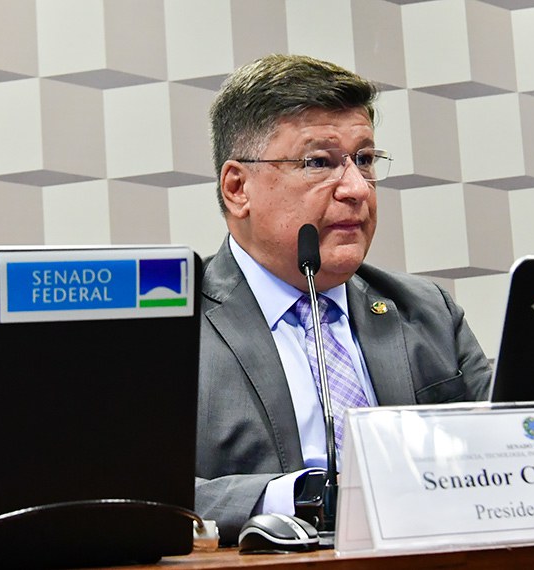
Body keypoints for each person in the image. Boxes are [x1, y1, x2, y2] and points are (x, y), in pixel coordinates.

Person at [195, 53, 492, 544]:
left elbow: (505, 450)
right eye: (318, 163)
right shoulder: (176, 328)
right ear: (237, 187)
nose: (356, 188)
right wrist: (294, 498)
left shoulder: (427, 311)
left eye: (366, 160)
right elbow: (131, 491)